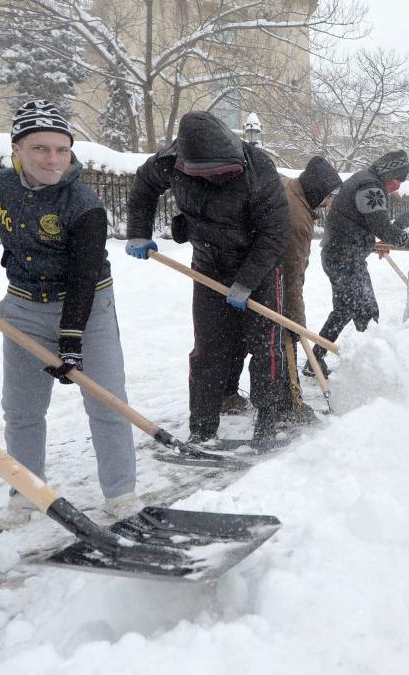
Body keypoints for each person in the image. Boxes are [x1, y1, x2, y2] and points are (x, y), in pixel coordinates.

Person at [0, 100, 141, 522]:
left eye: (62, 149)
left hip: (87, 306)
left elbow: (84, 274)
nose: (53, 159)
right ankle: (25, 492)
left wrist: (71, 335)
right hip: (22, 305)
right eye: (40, 148)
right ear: (16, 149)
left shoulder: (84, 203)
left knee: (106, 402)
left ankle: (121, 494)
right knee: (20, 410)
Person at [124, 111, 290, 442]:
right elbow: (144, 186)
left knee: (265, 346)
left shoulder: (258, 168)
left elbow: (275, 234)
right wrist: (139, 231)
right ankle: (201, 430)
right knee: (208, 350)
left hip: (258, 266)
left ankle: (268, 422)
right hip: (208, 263)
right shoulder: (170, 161)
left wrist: (247, 281)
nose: (221, 180)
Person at [222, 155, 341, 424]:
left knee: (239, 340)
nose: (330, 202)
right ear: (318, 190)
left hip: (244, 272)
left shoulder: (291, 187)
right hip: (267, 280)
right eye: (330, 195)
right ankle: (290, 406)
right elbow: (291, 275)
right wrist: (296, 320)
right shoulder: (297, 218)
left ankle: (227, 394)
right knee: (284, 339)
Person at [309, 150, 409, 376]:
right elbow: (382, 227)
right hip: (343, 257)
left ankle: (317, 358)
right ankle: (368, 369)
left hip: (341, 254)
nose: (399, 185)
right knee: (367, 313)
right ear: (389, 173)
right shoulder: (370, 187)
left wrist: (370, 243)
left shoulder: (364, 179)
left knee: (346, 310)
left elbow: (357, 220)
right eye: (399, 179)